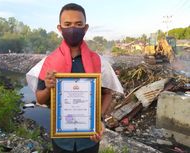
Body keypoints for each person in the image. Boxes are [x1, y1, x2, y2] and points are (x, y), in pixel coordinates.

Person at [26, 3, 123, 153]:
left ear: (85, 28)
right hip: (61, 140)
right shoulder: (49, 62)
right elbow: (40, 99)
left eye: (78, 24)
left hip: (89, 140)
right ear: (60, 28)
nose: (73, 28)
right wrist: (48, 87)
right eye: (67, 24)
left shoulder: (99, 62)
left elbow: (107, 94)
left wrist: (99, 120)